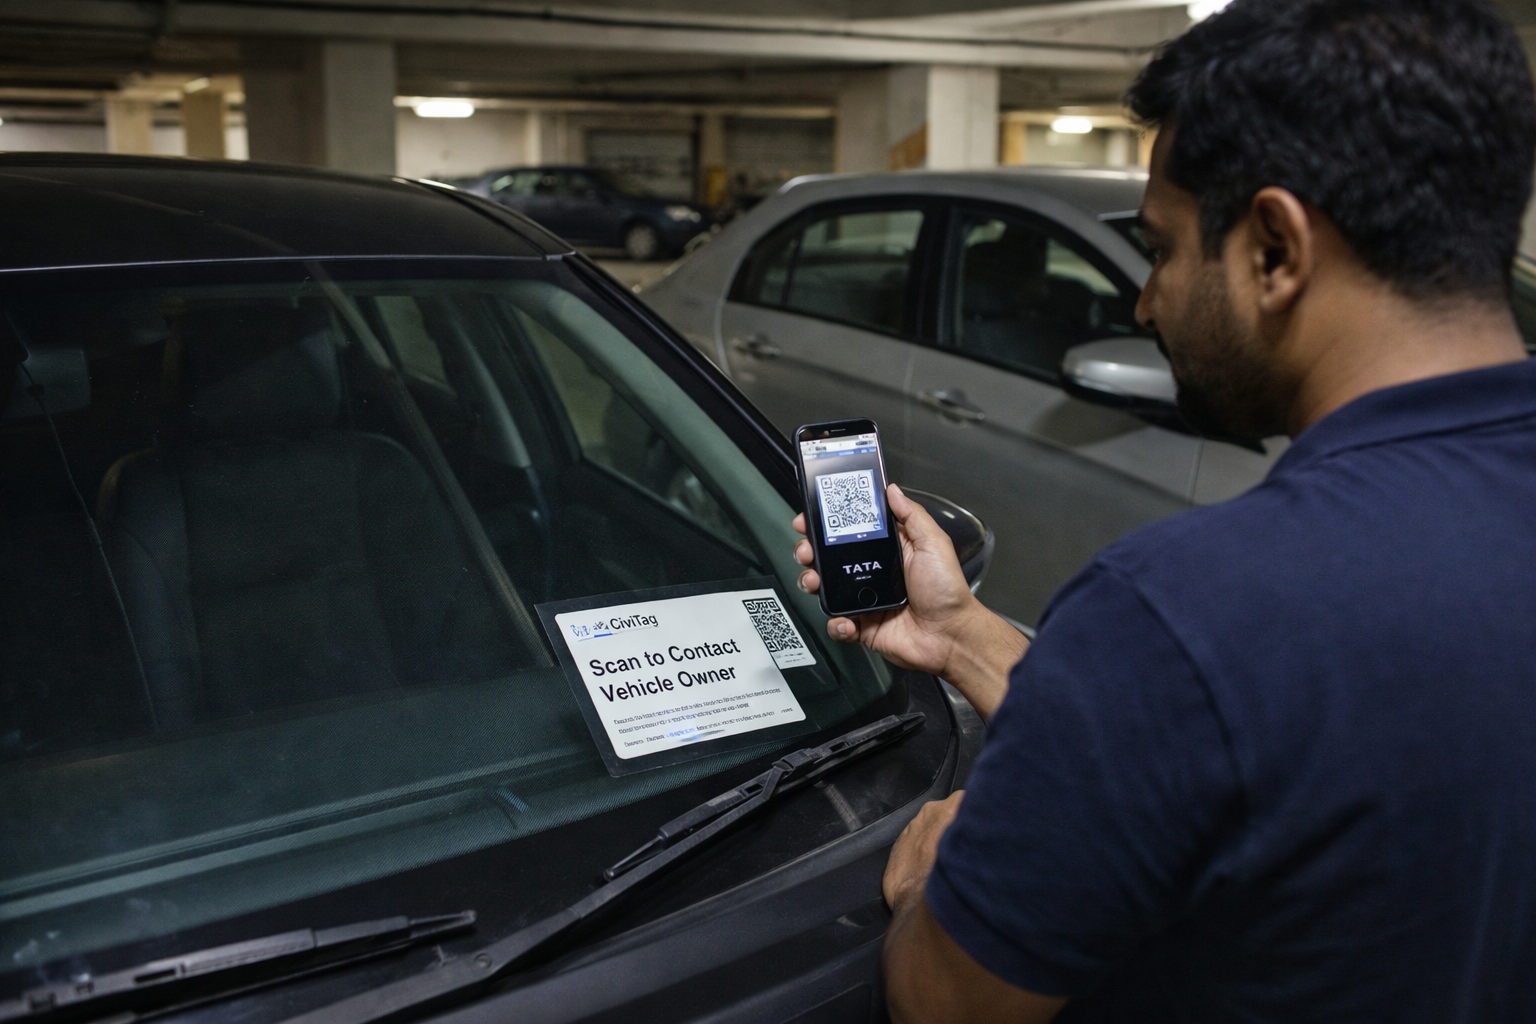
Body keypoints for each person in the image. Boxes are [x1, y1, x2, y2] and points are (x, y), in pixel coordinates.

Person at [792, 0, 1536, 1019]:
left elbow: (946, 1002)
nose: (1147, 303)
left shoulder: (1186, 606)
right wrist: (965, 635)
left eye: (1166, 247)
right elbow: (1253, 745)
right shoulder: (1200, 645)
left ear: (1276, 247)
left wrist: (927, 884)